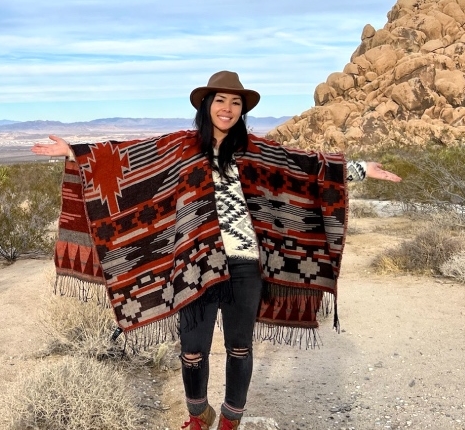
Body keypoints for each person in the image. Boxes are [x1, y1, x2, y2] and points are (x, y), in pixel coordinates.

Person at [31, 70, 401, 430]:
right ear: (207, 104)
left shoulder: (257, 151)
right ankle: (198, 416)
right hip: (195, 263)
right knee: (192, 351)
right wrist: (77, 152)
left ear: (243, 109)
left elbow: (306, 168)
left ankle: (230, 420)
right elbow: (123, 158)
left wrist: (361, 168)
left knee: (240, 348)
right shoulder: (180, 147)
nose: (227, 107)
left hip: (244, 265)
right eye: (220, 100)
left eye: (235, 102)